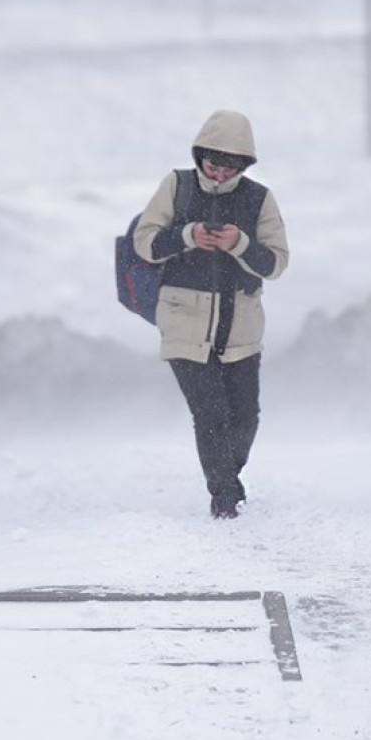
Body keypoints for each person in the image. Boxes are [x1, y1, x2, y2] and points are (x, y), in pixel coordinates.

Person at [132, 109, 290, 519]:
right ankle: (224, 497)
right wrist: (186, 236)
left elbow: (276, 264)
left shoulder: (259, 199)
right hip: (183, 322)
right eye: (213, 164)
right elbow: (144, 243)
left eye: (230, 166)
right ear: (199, 156)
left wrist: (240, 242)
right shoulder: (177, 186)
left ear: (244, 165)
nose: (219, 174)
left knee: (245, 417)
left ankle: (227, 477)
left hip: (241, 327)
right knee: (210, 414)